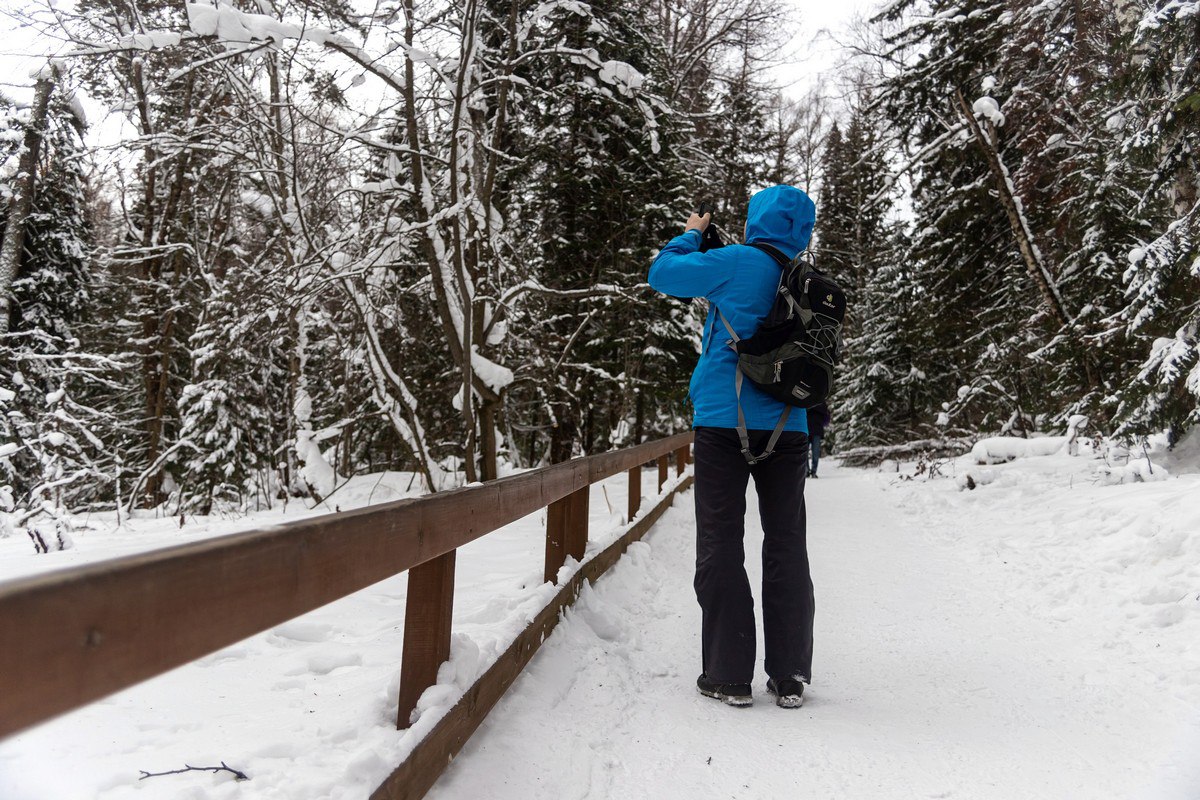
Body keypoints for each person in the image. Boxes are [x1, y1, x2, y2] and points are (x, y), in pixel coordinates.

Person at [647, 185, 816, 709]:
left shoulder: (736, 260)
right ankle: (789, 674)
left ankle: (727, 673)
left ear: (756, 219)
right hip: (790, 426)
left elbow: (663, 273)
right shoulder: (809, 281)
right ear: (802, 231)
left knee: (720, 540)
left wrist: (692, 234)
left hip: (724, 423)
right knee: (786, 542)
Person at [807, 402, 830, 478]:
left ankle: (813, 471)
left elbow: (826, 416)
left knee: (815, 453)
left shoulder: (821, 402)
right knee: (804, 453)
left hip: (816, 431)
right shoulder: (807, 400)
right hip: (807, 430)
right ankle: (806, 471)